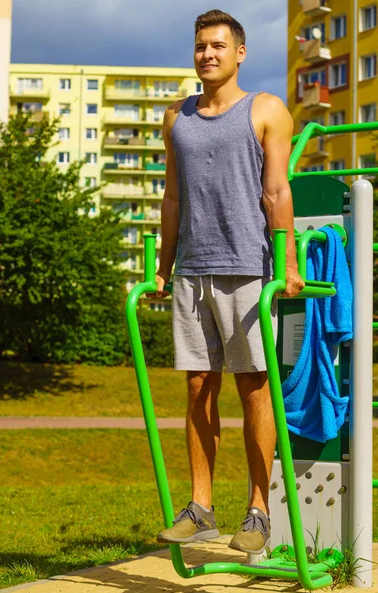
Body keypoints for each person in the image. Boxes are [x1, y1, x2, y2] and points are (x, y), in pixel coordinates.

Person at [150, 9, 304, 554]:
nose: (207, 54)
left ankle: (259, 511)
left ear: (239, 53)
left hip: (248, 266)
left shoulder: (265, 109)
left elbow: (277, 192)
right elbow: (171, 199)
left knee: (254, 388)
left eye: (217, 46)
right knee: (197, 387)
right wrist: (163, 268)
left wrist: (287, 264)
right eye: (200, 47)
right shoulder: (176, 118)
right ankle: (201, 507)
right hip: (193, 269)